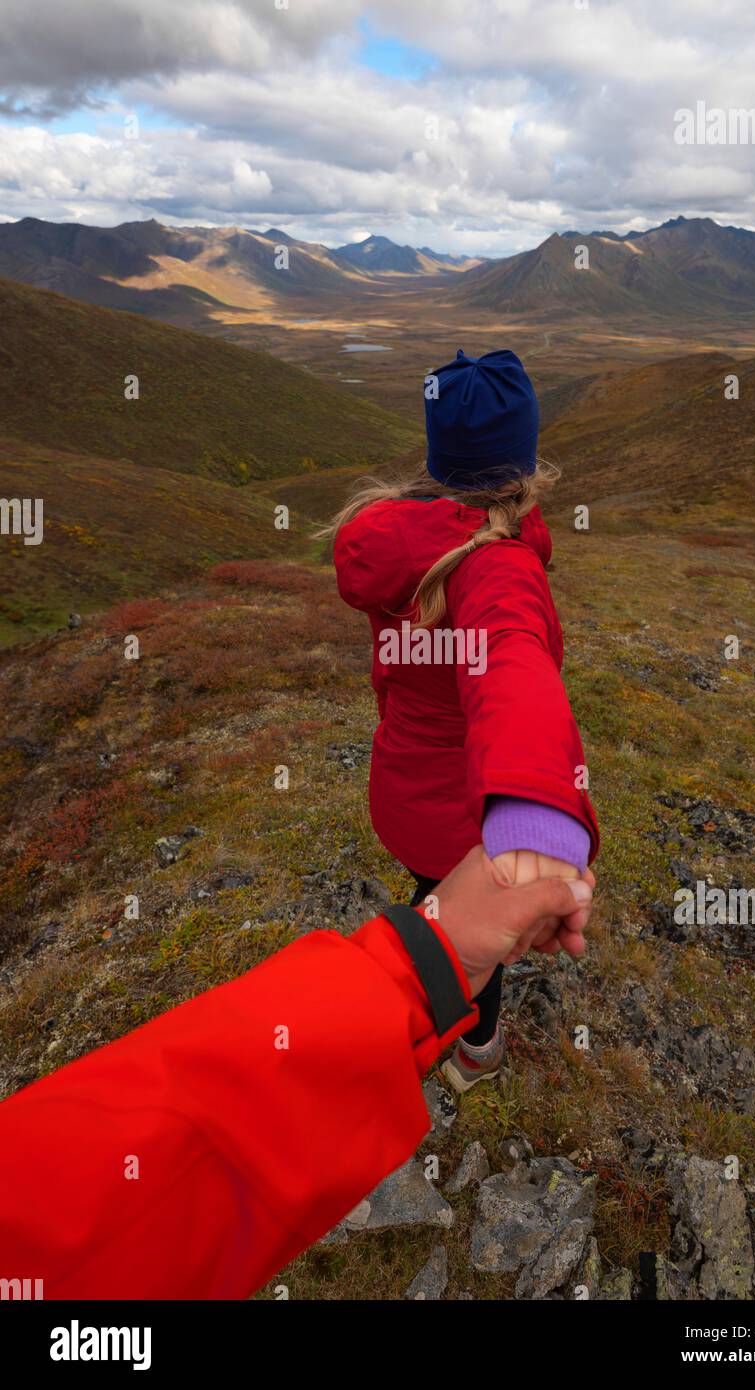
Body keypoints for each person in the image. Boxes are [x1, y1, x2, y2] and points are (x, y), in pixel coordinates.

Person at [0, 845, 592, 1300]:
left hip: (427, 834)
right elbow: (107, 1188)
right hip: (463, 852)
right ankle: (477, 1047)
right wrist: (418, 971)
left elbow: (97, 1199)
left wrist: (423, 967)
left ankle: (472, 1040)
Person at [329, 348, 600, 1091]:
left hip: (403, 785)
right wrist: (534, 809)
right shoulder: (497, 565)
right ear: (524, 461)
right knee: (472, 938)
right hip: (466, 810)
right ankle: (475, 1049)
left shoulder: (402, 540)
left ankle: (424, 991)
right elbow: (514, 663)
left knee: (431, 898)